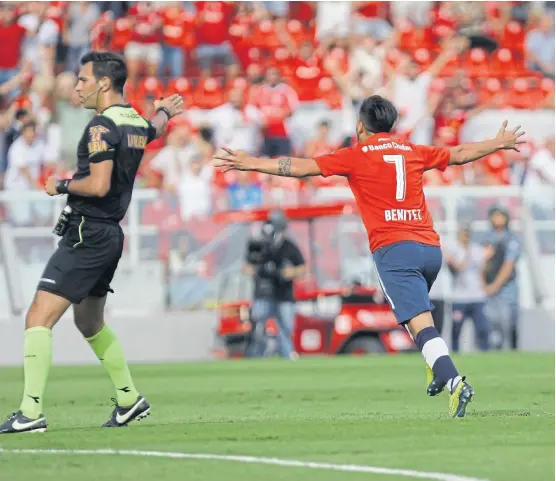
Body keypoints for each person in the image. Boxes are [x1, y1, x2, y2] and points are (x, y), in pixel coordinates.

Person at [214, 95, 525, 417]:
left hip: (394, 249)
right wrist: (497, 143)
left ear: (360, 126)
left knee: (418, 322)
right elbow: (459, 154)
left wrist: (252, 163)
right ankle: (435, 365)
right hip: (430, 249)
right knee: (416, 318)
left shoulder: (356, 155)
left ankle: (454, 381)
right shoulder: (412, 149)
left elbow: (302, 167)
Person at [0, 51, 184, 434]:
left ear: (103, 83)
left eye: (82, 80)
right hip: (111, 234)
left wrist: (61, 185)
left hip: (87, 231)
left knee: (38, 316)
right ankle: (130, 399)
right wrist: (165, 111)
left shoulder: (101, 126)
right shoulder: (133, 119)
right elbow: (155, 128)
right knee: (89, 321)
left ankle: (30, 413)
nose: (76, 86)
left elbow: (98, 185)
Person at [244, 211, 305, 359]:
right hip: (264, 293)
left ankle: (287, 355)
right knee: (258, 324)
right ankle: (257, 355)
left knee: (286, 328)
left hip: (284, 294)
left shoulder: (289, 246)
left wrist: (288, 273)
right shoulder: (258, 245)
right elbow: (247, 267)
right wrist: (259, 270)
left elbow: (302, 268)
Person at [445, 224, 490, 352]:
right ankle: (454, 353)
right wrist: (465, 255)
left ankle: (485, 353)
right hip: (460, 297)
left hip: (477, 296)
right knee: (456, 329)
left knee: (482, 328)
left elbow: (481, 271)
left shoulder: (477, 249)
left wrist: (485, 287)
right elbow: (457, 268)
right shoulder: (453, 249)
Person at [483, 206, 522, 350]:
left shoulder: (511, 239)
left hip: (507, 286)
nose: (497, 219)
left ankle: (513, 350)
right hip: (489, 286)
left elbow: (508, 265)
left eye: (500, 216)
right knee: (492, 322)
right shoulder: (488, 238)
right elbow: (482, 263)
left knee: (510, 321)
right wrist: (485, 284)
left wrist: (495, 285)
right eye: (495, 215)